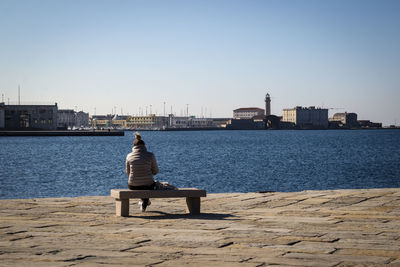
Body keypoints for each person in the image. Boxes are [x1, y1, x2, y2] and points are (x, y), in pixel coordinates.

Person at [126, 133, 159, 212]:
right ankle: (145, 201)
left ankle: (144, 202)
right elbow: (155, 171)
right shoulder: (150, 155)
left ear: (134, 147)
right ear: (144, 146)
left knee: (141, 184)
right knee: (147, 184)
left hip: (132, 185)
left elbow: (128, 173)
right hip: (148, 185)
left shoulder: (129, 156)